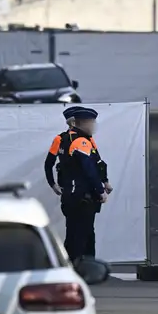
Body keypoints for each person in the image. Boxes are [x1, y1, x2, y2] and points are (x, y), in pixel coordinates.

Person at [64, 107, 108, 261]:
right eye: (91, 122)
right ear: (84, 123)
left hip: (74, 195)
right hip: (81, 196)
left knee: (78, 233)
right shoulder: (81, 142)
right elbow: (89, 169)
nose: (94, 126)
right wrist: (100, 190)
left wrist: (105, 181)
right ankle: (83, 267)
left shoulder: (76, 139)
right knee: (81, 236)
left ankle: (79, 264)